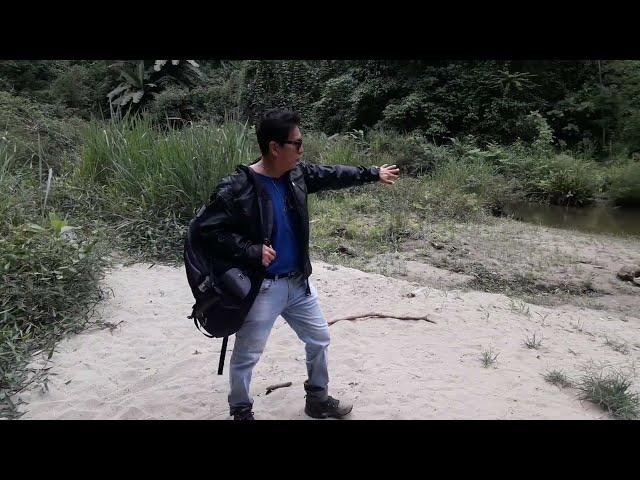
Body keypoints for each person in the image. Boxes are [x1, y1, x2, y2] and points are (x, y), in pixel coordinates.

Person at [200, 108, 399, 420]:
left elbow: (332, 174)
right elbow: (205, 231)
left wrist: (372, 173)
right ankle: (240, 410)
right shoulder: (239, 187)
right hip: (263, 287)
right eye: (297, 143)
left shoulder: (296, 175)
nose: (302, 150)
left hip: (298, 283)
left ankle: (317, 399)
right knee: (247, 355)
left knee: (319, 339)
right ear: (275, 147)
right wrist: (250, 250)